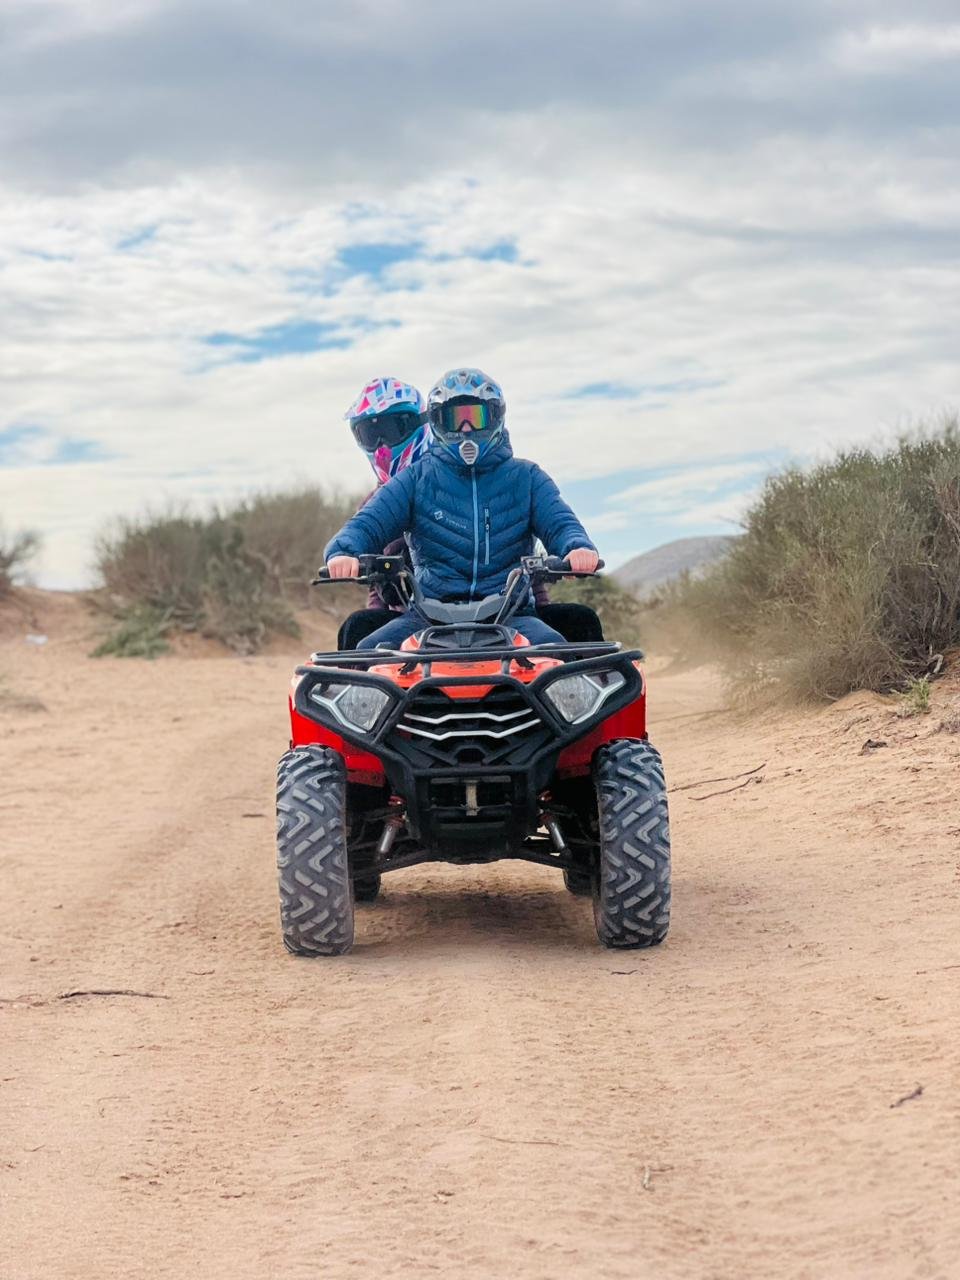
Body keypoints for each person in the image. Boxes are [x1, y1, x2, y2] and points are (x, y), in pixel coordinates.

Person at [324, 368, 600, 650]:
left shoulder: (527, 477)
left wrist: (577, 547)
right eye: (455, 418)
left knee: (555, 652)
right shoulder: (414, 479)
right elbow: (368, 523)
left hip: (511, 615)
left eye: (475, 416)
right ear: (437, 422)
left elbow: (561, 523)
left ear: (495, 417)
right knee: (368, 654)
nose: (466, 428)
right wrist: (343, 552)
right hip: (426, 617)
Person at [335, 376, 430, 651]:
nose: (382, 444)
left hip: (480, 610)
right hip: (407, 615)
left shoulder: (452, 483)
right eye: (370, 434)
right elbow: (376, 589)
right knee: (358, 626)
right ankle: (362, 695)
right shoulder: (370, 506)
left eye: (392, 429)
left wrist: (536, 607)